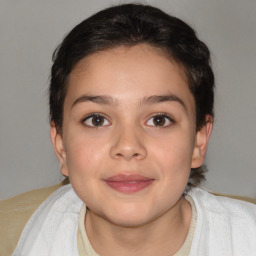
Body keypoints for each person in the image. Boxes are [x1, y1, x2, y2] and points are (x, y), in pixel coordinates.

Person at [1, 3, 256, 256]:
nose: (128, 146)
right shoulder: (9, 238)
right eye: (97, 120)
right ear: (61, 145)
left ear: (199, 141)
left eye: (159, 120)